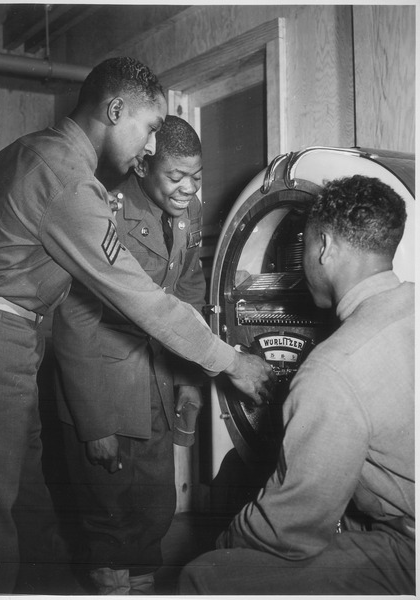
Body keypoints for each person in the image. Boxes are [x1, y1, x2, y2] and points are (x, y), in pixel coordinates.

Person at [0, 57, 273, 594]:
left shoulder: (37, 153)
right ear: (114, 109)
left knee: (24, 500)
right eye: (149, 128)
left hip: (7, 334)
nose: (151, 147)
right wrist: (231, 361)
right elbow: (143, 299)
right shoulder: (67, 181)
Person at [178, 174, 415, 595]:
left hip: (409, 551)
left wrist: (225, 544)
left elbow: (288, 530)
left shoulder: (333, 369)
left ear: (323, 246)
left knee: (204, 575)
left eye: (303, 244)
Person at [53, 115, 206, 594]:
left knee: (154, 511)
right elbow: (76, 318)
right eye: (176, 177)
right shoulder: (106, 210)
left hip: (157, 377)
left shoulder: (190, 211)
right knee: (109, 515)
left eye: (196, 177)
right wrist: (94, 422)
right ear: (143, 167)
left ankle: (137, 585)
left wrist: (189, 379)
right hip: (104, 379)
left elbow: (188, 293)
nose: (188, 189)